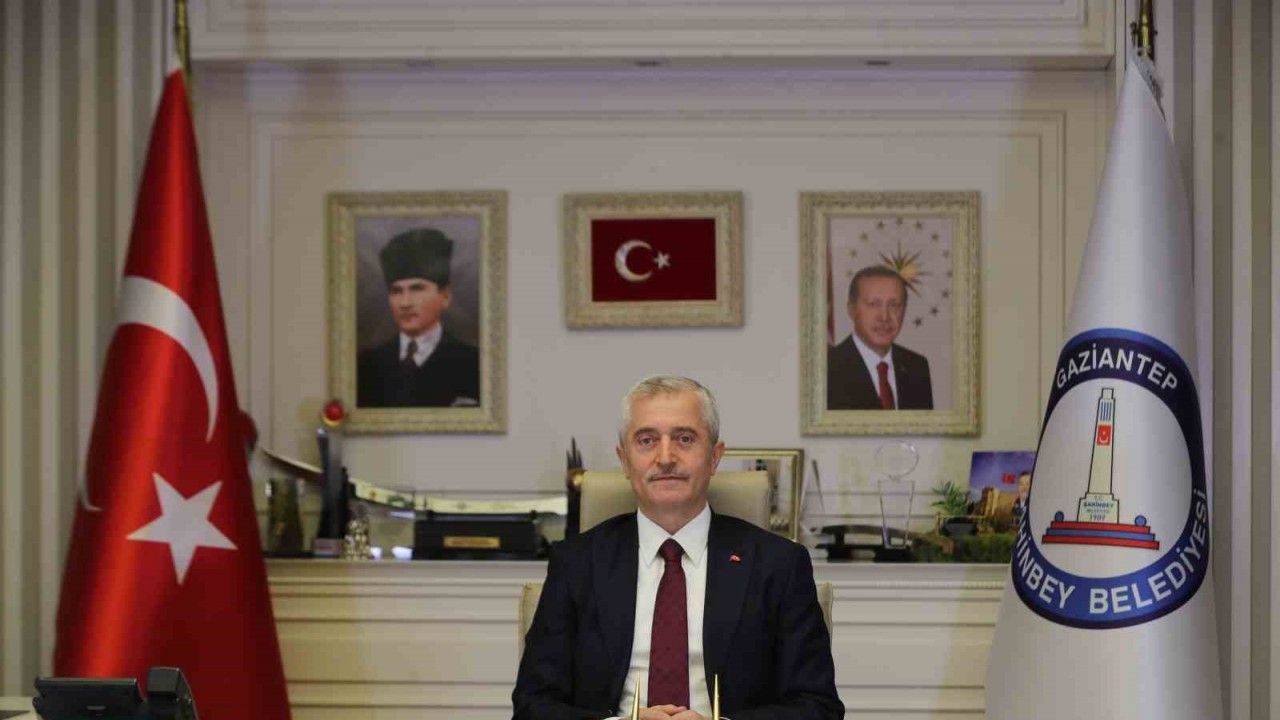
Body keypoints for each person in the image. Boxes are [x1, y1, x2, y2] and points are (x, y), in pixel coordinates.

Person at [513, 376, 843, 720]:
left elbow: (818, 708)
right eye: (647, 440)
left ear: (714, 457)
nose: (666, 457)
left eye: (685, 439)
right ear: (624, 460)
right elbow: (532, 706)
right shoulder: (577, 563)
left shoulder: (778, 564)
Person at [356, 227, 480, 408]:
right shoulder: (366, 366)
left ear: (445, 296)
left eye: (417, 289)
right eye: (396, 291)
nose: (405, 303)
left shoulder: (474, 364)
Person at [826, 265, 933, 410]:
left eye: (894, 305)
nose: (884, 317)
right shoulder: (827, 370)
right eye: (873, 304)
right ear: (851, 309)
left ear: (904, 311)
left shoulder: (917, 367)